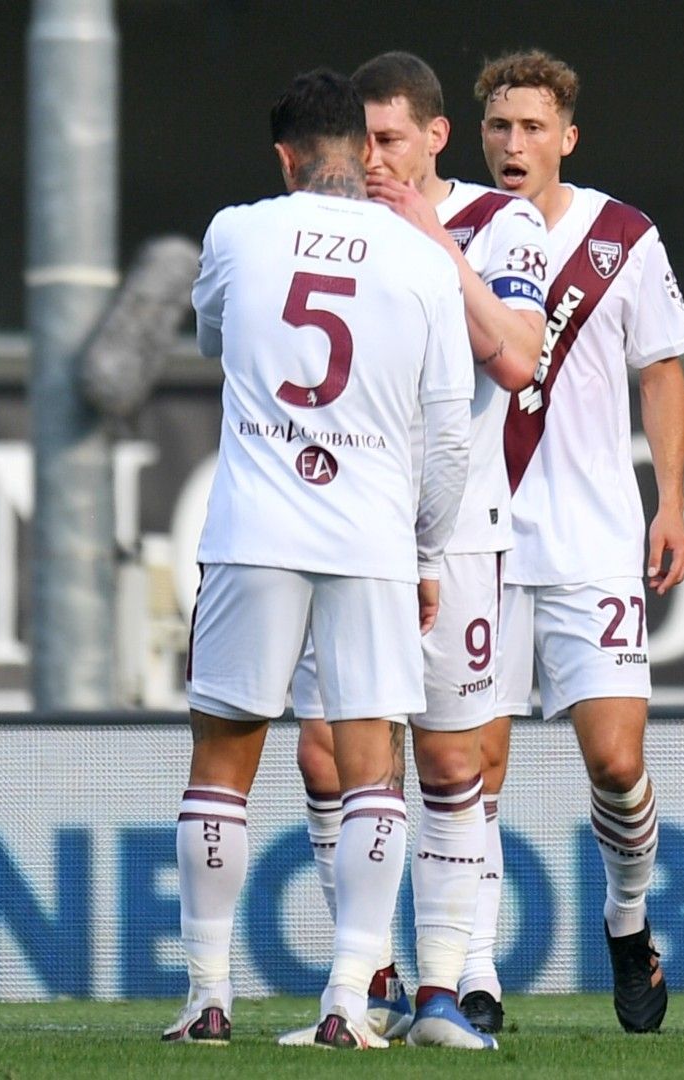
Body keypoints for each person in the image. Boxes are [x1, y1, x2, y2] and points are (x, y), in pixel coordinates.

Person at [169, 68, 473, 1049]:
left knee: (224, 753)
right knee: (371, 756)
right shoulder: (426, 259)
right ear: (366, 148)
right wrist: (427, 546)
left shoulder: (236, 230)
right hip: (372, 532)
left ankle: (209, 997)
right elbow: (451, 437)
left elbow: (215, 332)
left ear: (286, 156)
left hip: (256, 523)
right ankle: (348, 1004)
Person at [278, 50, 548, 1049]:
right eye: (363, 144)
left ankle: (454, 981)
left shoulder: (502, 223)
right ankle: (370, 975)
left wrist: (431, 238)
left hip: (460, 527)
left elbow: (517, 357)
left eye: (391, 141)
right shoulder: (332, 231)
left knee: (447, 756)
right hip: (349, 530)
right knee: (324, 752)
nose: (375, 160)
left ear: (436, 137)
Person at [476, 49, 684, 1035]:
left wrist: (674, 500)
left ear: (568, 136)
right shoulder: (453, 234)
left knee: (615, 760)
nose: (513, 144)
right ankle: (472, 970)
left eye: (532, 127)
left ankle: (627, 921)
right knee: (471, 767)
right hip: (477, 533)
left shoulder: (623, 236)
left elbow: (661, 372)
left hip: (593, 531)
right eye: (498, 126)